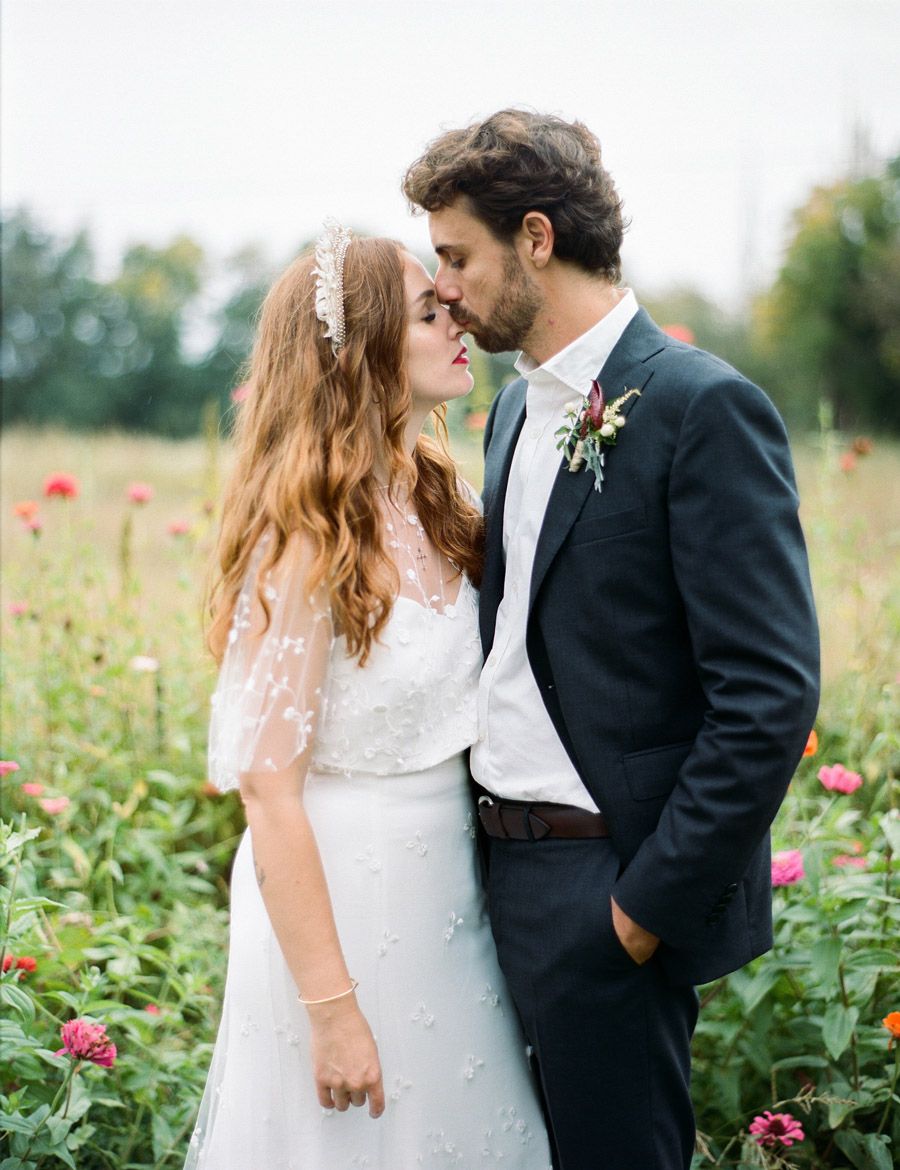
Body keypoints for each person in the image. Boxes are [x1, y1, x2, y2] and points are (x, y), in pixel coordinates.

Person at [403, 110, 820, 1170]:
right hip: (489, 879)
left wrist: (642, 912)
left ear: (535, 237)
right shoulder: (509, 413)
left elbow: (768, 694)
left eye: (456, 255)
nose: (440, 285)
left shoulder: (702, 408)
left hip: (607, 889)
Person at [184, 225, 553, 1169]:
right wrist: (332, 1008)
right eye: (430, 312)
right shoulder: (305, 533)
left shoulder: (435, 493)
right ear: (362, 352)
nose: (457, 317)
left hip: (451, 896)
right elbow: (268, 787)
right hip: (343, 904)